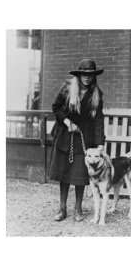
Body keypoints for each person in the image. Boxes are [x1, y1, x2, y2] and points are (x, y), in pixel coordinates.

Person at [49, 59, 105, 222]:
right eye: (84, 74)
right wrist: (67, 122)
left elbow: (99, 120)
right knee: (64, 173)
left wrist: (100, 142)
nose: (87, 78)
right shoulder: (67, 88)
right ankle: (62, 208)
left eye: (91, 75)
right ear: (79, 74)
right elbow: (56, 107)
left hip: (84, 138)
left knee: (80, 174)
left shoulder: (97, 94)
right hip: (65, 135)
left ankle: (78, 209)